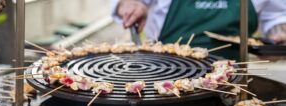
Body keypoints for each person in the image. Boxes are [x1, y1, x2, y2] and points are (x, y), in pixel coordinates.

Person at [111, 0, 286, 59]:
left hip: (231, 78)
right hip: (164, 74)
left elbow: (277, 18)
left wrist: (278, 38)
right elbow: (127, 2)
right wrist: (130, 3)